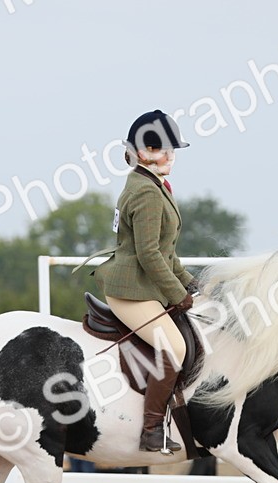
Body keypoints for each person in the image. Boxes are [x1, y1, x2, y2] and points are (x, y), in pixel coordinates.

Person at [93, 109, 198, 453]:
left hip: (144, 284)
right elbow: (149, 255)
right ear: (141, 153)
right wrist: (176, 293)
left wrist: (189, 282)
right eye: (160, 150)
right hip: (131, 290)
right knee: (175, 347)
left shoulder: (152, 184)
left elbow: (166, 251)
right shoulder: (147, 192)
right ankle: (151, 428)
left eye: (171, 150)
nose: (169, 156)